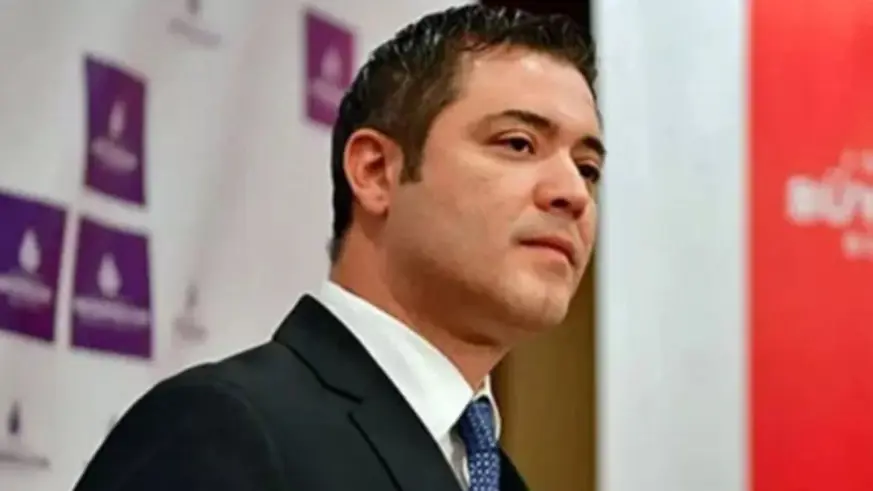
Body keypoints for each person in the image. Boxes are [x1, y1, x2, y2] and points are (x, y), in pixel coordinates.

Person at [73, 4, 603, 491]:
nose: (574, 194)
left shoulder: (499, 479)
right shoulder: (220, 430)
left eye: (587, 168)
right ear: (375, 172)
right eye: (517, 143)